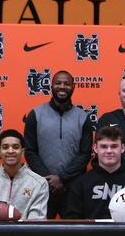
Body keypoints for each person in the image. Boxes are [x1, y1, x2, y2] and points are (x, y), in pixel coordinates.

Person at [23, 70, 93, 218]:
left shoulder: (83, 117)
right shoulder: (35, 114)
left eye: (67, 84)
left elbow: (84, 153)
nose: (62, 87)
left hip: (73, 189)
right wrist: (48, 180)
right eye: (58, 83)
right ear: (51, 86)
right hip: (42, 188)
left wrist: (62, 178)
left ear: (73, 87)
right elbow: (30, 151)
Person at [64, 125, 125, 220]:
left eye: (114, 146)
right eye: (103, 146)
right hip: (92, 234)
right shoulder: (82, 183)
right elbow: (73, 221)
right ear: (95, 148)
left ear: (122, 148)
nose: (109, 151)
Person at [0, 129, 49, 220]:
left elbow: (36, 222)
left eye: (15, 147)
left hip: (26, 233)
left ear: (22, 152)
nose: (10, 151)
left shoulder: (40, 183)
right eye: (5, 147)